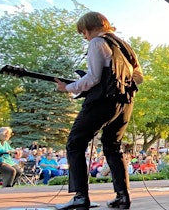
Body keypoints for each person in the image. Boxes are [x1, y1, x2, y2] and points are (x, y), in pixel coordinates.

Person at [55, 11, 143, 210]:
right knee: (113, 146)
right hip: (126, 102)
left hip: (103, 103)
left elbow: (93, 78)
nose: (84, 37)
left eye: (83, 33)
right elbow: (139, 76)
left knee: (75, 143)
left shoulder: (97, 43)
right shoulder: (124, 45)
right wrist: (122, 88)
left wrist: (68, 87)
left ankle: (80, 197)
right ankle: (122, 197)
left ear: (89, 28)